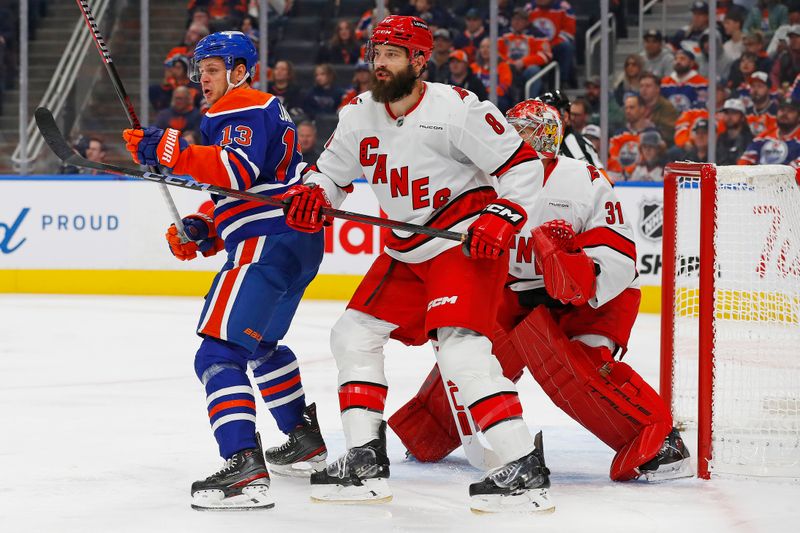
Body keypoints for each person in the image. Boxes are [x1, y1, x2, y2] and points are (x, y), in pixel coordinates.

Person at [280, 15, 554, 514]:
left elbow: (521, 166)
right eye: (376, 53)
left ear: (420, 60)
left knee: (461, 353)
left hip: (462, 245)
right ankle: (365, 460)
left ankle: (522, 468)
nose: (379, 64)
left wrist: (503, 216)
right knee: (351, 334)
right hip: (407, 250)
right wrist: (310, 195)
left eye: (391, 55)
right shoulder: (357, 114)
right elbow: (328, 175)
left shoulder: (458, 108)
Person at [388, 100, 691, 482]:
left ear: (547, 136)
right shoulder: (481, 181)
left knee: (578, 364)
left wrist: (572, 263)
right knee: (473, 354)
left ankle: (661, 441)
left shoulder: (582, 179)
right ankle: (431, 428)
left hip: (593, 300)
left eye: (523, 130)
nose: (511, 138)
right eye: (507, 129)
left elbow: (619, 258)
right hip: (519, 293)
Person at [120, 31, 327, 511]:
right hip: (293, 242)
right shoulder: (260, 110)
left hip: (266, 243)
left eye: (212, 69)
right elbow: (252, 188)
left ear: (240, 71)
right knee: (262, 346)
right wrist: (205, 227)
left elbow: (236, 172)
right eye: (200, 70)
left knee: (217, 354)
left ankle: (243, 466)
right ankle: (303, 440)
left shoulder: (242, 104)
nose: (203, 80)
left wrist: (173, 152)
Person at [538, 90, 604, 168]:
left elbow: (601, 177)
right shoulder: (539, 142)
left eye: (548, 115)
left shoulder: (579, 145)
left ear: (565, 116)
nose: (542, 120)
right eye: (540, 115)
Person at [499, 8, 552, 97]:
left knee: (534, 70)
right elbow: (496, 53)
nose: (517, 22)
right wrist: (510, 62)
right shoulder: (503, 34)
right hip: (508, 67)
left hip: (526, 70)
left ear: (527, 22)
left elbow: (546, 55)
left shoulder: (537, 35)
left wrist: (524, 62)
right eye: (514, 19)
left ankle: (530, 103)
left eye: (520, 19)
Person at [739, 97, 800, 166]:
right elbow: (746, 159)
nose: (784, 114)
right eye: (782, 110)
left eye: (790, 111)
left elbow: (798, 166)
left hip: (789, 175)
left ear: (799, 117)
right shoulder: (764, 136)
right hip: (761, 174)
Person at [528, 0, 576, 86]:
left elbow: (568, 33)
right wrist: (540, 45)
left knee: (566, 46)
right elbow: (525, 31)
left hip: (555, 45)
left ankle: (561, 82)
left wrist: (550, 45)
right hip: (536, 48)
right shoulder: (529, 8)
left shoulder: (564, 7)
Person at [660, 49, 709, 113]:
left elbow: (702, 105)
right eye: (676, 59)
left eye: (682, 59)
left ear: (691, 63)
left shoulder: (702, 83)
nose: (678, 61)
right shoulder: (664, 83)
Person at [639, 72, 679, 146]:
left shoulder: (667, 107)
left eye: (648, 86)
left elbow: (670, 133)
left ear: (657, 89)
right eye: (641, 86)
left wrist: (652, 127)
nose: (643, 89)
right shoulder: (636, 104)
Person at [717, 98, 754, 165]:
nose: (729, 117)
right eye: (727, 113)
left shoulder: (749, 140)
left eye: (734, 113)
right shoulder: (720, 138)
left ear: (742, 117)